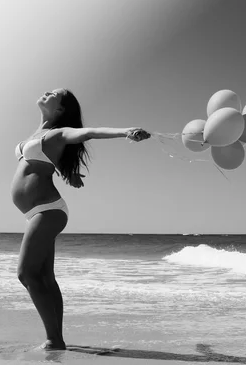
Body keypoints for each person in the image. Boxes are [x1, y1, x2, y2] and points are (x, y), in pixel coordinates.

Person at [11, 88, 150, 350]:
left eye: (53, 93)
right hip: (36, 213)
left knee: (26, 274)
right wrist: (67, 172)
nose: (46, 91)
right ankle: (57, 340)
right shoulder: (39, 134)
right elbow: (45, 159)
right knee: (45, 278)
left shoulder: (60, 133)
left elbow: (89, 133)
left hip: (47, 210)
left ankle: (53, 340)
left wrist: (125, 131)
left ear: (61, 109)